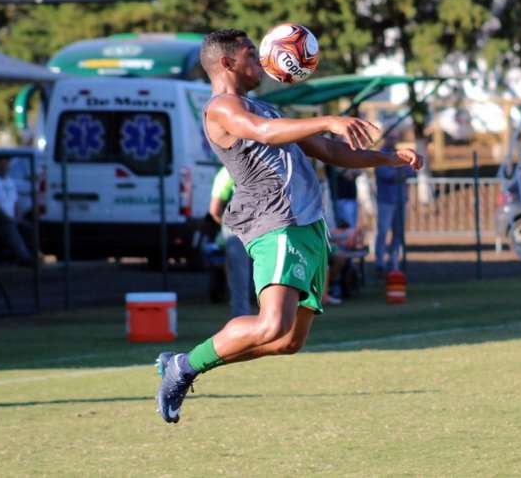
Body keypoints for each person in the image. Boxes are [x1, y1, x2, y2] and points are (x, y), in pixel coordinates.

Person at [155, 29, 423, 424]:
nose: (261, 61)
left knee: (288, 341)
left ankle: (187, 365)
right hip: (275, 222)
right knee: (271, 323)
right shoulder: (222, 108)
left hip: (307, 225)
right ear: (227, 62)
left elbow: (330, 151)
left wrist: (390, 159)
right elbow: (263, 134)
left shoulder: (265, 109)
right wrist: (328, 118)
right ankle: (183, 366)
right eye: (251, 54)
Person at [209, 166, 252, 318]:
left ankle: (242, 316)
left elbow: (214, 209)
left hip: (236, 225)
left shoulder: (227, 171)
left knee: (239, 274)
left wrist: (226, 224)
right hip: (266, 222)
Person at [374, 136, 415, 275]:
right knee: (383, 231)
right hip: (386, 200)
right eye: (390, 138)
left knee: (398, 232)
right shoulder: (380, 155)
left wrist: (401, 171)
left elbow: (411, 171)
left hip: (400, 199)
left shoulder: (399, 154)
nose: (393, 140)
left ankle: (394, 260)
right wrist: (400, 171)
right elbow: (386, 174)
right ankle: (379, 261)